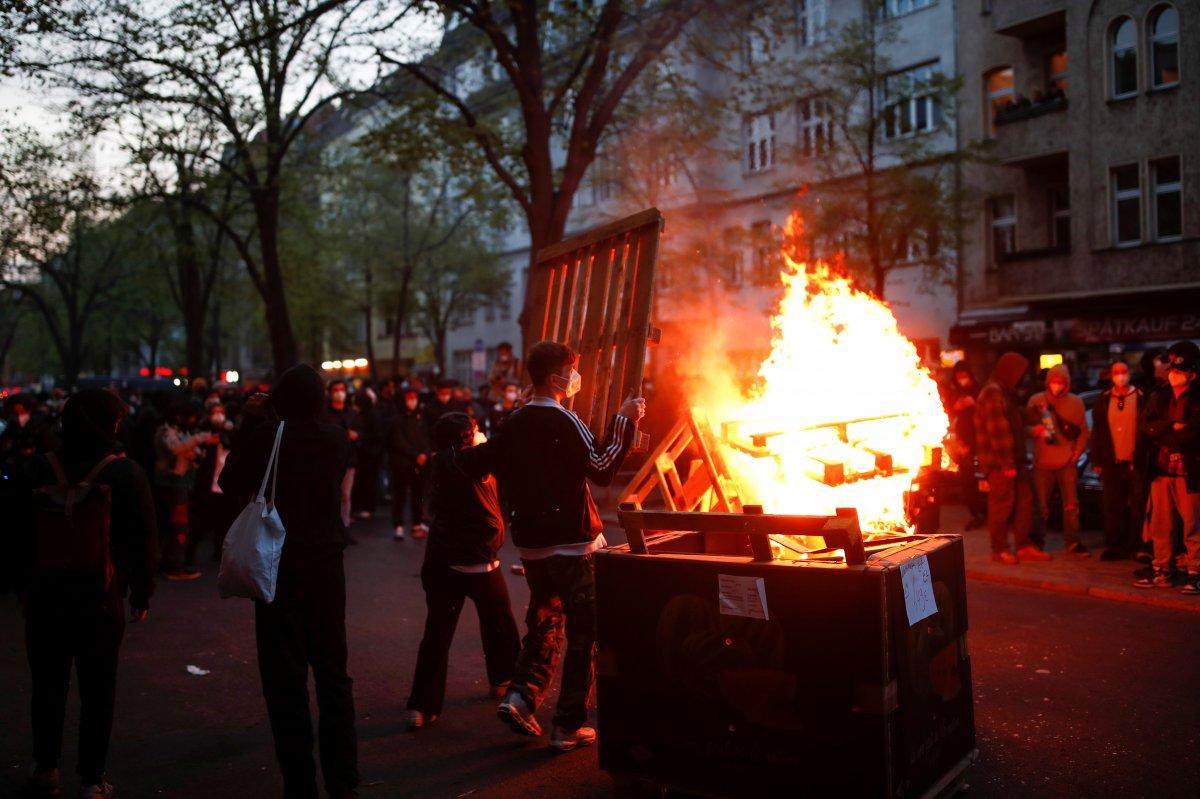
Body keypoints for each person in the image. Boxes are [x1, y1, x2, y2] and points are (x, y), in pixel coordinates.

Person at [458, 340, 644, 752]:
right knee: (584, 632)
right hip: (574, 546)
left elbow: (473, 463)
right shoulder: (564, 420)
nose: (576, 377)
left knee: (544, 622)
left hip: (534, 547)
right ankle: (568, 723)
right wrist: (624, 421)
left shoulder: (513, 422)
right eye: (573, 369)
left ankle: (521, 697)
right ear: (558, 378)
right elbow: (601, 469)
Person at [219, 364, 360, 799]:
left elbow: (229, 481)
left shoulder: (268, 437)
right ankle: (344, 783)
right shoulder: (336, 439)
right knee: (334, 675)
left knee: (286, 680)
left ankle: (300, 785)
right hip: (326, 565)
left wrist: (254, 419)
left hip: (276, 567)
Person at [13, 389, 157, 799]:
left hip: (45, 597)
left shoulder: (37, 468)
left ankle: (46, 768)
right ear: (107, 424)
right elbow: (144, 538)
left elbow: (16, 534)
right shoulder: (124, 473)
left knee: (47, 684)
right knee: (98, 690)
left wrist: (22, 587)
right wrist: (142, 593)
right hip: (101, 597)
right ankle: (92, 779)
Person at [403, 412, 520, 730]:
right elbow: (504, 445)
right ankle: (506, 678)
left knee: (438, 633)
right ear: (465, 438)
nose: (481, 432)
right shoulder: (466, 460)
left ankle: (423, 706)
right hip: (475, 559)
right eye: (476, 429)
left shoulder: (442, 460)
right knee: (500, 621)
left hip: (442, 560)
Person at [975, 352, 1051, 565]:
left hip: (1015, 460)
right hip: (1001, 464)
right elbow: (998, 430)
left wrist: (1034, 412)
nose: (1022, 377)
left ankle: (1024, 545)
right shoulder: (992, 392)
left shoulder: (1004, 391)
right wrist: (1006, 462)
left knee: (1024, 502)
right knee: (1002, 505)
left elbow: (1014, 416)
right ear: (1010, 370)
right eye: (1019, 372)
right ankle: (999, 549)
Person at [1134, 345, 1200, 593]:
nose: (1174, 372)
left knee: (1193, 526)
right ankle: (1163, 569)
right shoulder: (1159, 396)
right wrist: (1172, 426)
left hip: (1189, 472)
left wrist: (1164, 432)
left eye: (1180, 369)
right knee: (1161, 526)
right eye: (1172, 368)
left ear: (1192, 373)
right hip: (1161, 470)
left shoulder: (1196, 397)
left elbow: (1194, 431)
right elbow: (1145, 426)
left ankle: (1195, 573)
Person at [1027, 364, 1090, 556]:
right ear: (1048, 382)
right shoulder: (1036, 400)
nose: (1057, 385)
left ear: (1067, 383)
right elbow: (1024, 426)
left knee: (1071, 504)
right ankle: (1036, 542)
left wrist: (1078, 451)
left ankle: (1073, 541)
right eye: (1054, 381)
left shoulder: (1076, 402)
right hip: (1043, 462)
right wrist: (1034, 431)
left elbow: (1083, 430)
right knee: (1040, 506)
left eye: (1061, 382)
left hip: (1067, 462)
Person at [1090, 361, 1147, 561]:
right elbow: (1098, 431)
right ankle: (1115, 546)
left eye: (1123, 371)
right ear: (1110, 375)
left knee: (1139, 507)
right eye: (1116, 372)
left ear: (1129, 373)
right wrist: (1096, 458)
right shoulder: (1104, 398)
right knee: (1113, 506)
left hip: (1135, 462)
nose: (1120, 375)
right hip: (1111, 463)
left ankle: (1140, 546)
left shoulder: (1141, 397)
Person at [153, 400, 214, 580]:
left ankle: (172, 563)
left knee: (177, 525)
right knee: (177, 526)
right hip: (172, 484)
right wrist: (199, 439)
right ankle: (174, 566)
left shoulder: (178, 432)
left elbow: (189, 452)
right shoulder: (165, 432)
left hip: (179, 483)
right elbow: (175, 449)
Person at [191, 401, 238, 562]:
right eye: (215, 412)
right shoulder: (204, 434)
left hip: (222, 486)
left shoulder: (230, 433)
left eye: (221, 412)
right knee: (199, 521)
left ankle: (219, 553)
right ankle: (189, 555)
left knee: (222, 523)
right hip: (207, 483)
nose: (218, 415)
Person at [944, 362, 985, 530]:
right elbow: (948, 413)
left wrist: (974, 404)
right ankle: (976, 513)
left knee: (983, 479)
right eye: (958, 376)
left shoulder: (980, 390)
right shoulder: (954, 392)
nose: (962, 379)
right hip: (963, 443)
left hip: (982, 441)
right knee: (967, 482)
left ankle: (986, 512)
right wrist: (955, 407)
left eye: (964, 375)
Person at [387, 387, 430, 541]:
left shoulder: (421, 417)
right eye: (408, 397)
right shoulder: (396, 419)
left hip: (419, 463)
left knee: (418, 495)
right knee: (400, 495)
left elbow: (426, 437)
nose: (412, 401)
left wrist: (425, 453)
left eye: (414, 397)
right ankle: (398, 526)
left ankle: (417, 524)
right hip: (402, 463)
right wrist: (416, 454)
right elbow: (398, 441)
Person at [321, 380, 362, 535]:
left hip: (348, 460)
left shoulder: (352, 413)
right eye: (336, 390)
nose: (339, 393)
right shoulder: (324, 414)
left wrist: (356, 435)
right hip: (329, 460)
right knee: (330, 495)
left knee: (345, 495)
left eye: (342, 389)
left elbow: (363, 432)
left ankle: (344, 528)